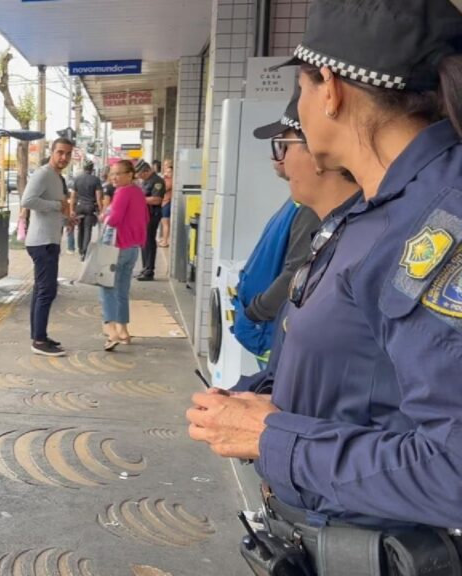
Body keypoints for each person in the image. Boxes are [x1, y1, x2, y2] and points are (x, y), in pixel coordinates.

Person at [187, 0, 462, 570]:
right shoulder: (371, 210)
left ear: (331, 90)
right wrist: (261, 401)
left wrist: (276, 438)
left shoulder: (441, 223)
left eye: (303, 87)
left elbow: (454, 469)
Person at [227, 89, 322, 365]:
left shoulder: (313, 208)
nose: (277, 158)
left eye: (283, 146)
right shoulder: (297, 200)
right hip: (264, 329)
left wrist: (257, 310)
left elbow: (298, 270)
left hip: (271, 333)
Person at [21, 138, 74, 357]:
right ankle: (39, 340)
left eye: (68, 154)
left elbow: (58, 207)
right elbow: (27, 200)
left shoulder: (58, 178)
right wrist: (55, 206)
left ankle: (39, 335)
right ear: (52, 152)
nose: (64, 157)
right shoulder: (43, 174)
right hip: (41, 242)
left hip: (50, 239)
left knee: (41, 291)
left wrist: (66, 220)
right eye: (60, 152)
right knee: (47, 291)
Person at [98, 161, 148, 349]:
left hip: (115, 247)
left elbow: (115, 220)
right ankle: (123, 331)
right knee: (122, 290)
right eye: (112, 174)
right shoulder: (138, 192)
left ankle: (111, 332)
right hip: (132, 248)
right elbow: (145, 218)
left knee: (106, 288)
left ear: (130, 174)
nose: (114, 177)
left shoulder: (122, 192)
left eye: (119, 174)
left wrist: (105, 216)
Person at [134, 159, 165, 281]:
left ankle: (149, 270)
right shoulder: (146, 181)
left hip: (153, 214)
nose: (140, 177)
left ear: (146, 171)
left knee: (149, 241)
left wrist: (139, 199)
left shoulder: (157, 181)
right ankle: (145, 267)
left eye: (141, 174)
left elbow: (157, 199)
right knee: (143, 241)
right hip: (144, 214)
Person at [70, 160, 104, 260]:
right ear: (92, 169)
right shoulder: (96, 180)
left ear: (83, 168)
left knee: (80, 229)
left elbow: (73, 197)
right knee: (87, 229)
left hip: (79, 207)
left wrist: (72, 209)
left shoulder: (77, 179)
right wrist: (101, 210)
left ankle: (80, 249)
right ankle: (85, 251)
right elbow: (98, 197)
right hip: (90, 207)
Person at [157, 159, 173, 248]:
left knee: (165, 222)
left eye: (167, 164)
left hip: (167, 201)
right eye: (164, 165)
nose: (165, 167)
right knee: (163, 222)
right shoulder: (165, 176)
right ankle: (164, 238)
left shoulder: (169, 176)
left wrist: (165, 177)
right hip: (164, 201)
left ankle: (165, 241)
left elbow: (166, 187)